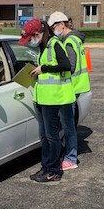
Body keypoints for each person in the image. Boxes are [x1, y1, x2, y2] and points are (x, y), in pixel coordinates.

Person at [19, 17, 75, 182]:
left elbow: (66, 65)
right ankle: (46, 167)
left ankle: (54, 170)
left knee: (52, 136)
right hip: (42, 99)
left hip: (54, 98)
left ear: (37, 34)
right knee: (44, 135)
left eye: (30, 38)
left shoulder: (54, 44)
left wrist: (43, 68)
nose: (29, 42)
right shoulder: (43, 47)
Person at [47, 11, 90, 170]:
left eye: (53, 28)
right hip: (76, 87)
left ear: (62, 25)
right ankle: (67, 154)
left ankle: (70, 158)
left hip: (71, 88)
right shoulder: (75, 39)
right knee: (68, 125)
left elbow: (70, 67)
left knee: (68, 126)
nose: (53, 32)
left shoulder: (69, 42)